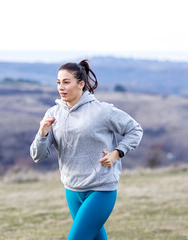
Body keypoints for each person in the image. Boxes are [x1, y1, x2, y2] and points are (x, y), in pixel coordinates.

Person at [30, 59, 143, 240]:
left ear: (81, 84)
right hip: (72, 190)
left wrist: (117, 153)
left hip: (100, 190)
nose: (61, 87)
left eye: (67, 82)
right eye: (58, 82)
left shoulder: (102, 111)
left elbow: (135, 130)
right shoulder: (53, 114)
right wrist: (42, 133)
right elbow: (38, 156)